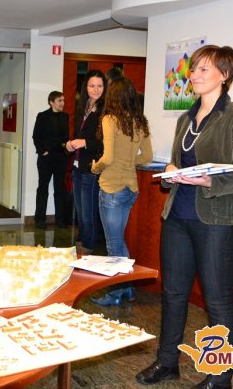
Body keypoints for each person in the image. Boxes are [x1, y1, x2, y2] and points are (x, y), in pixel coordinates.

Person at [136, 45, 233, 389]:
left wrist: (209, 181)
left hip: (216, 221)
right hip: (177, 216)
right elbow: (179, 163)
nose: (194, 75)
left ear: (224, 75)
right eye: (193, 69)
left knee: (218, 301)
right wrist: (171, 170)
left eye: (204, 69)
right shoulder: (186, 118)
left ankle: (220, 379)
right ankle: (167, 362)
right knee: (173, 293)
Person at [90, 77, 152, 306]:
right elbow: (147, 157)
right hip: (130, 188)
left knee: (113, 244)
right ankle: (127, 287)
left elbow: (108, 157)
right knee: (118, 240)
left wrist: (95, 167)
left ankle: (115, 293)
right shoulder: (140, 121)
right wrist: (128, 162)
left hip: (111, 187)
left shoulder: (110, 119)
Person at [66, 70, 105, 252]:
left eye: (100, 86)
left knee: (89, 213)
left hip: (92, 167)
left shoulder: (106, 110)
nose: (96, 90)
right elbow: (78, 134)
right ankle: (83, 244)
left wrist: (85, 142)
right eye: (92, 86)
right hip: (77, 166)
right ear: (86, 88)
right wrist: (70, 144)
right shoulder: (83, 107)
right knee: (81, 212)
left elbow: (106, 142)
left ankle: (88, 248)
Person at [32, 91, 69, 229]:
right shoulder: (42, 116)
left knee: (60, 189)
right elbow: (36, 136)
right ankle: (40, 220)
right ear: (51, 102)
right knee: (43, 188)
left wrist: (65, 150)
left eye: (63, 100)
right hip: (46, 159)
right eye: (60, 100)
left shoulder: (65, 116)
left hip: (60, 158)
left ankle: (60, 220)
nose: (62, 103)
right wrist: (43, 151)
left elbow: (66, 137)